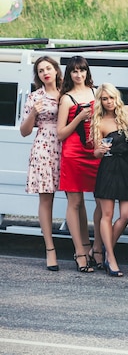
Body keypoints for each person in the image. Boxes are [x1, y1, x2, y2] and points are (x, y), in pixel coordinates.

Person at [91, 83, 128, 277]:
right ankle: (111, 259)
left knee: (126, 215)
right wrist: (101, 150)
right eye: (104, 99)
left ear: (117, 97)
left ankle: (103, 251)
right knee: (107, 215)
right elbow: (96, 153)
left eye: (111, 98)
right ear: (100, 101)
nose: (109, 102)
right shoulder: (99, 121)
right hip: (109, 168)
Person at [57, 56, 102, 273]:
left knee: (102, 201)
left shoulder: (97, 92)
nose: (78, 75)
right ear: (69, 74)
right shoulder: (66, 98)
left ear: (87, 72)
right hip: (73, 152)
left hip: (95, 151)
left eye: (82, 70)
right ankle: (80, 252)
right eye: (74, 71)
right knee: (75, 202)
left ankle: (97, 248)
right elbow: (60, 133)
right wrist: (79, 117)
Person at [20, 56, 63, 271]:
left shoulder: (67, 93)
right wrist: (34, 112)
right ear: (37, 75)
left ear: (56, 70)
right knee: (46, 199)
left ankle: (83, 250)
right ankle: (50, 249)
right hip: (44, 149)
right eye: (40, 70)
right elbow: (24, 131)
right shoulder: (35, 96)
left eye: (48, 68)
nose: (45, 72)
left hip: (68, 147)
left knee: (76, 198)